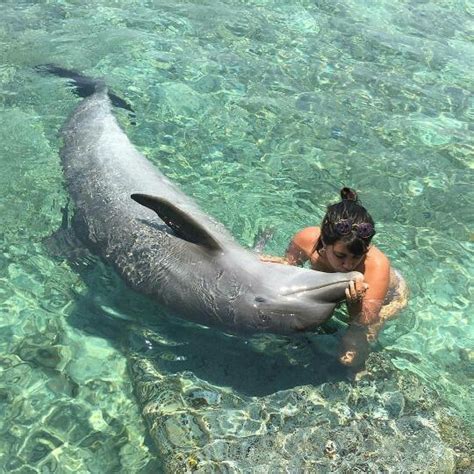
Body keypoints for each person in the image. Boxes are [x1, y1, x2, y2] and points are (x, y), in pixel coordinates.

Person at [261, 187, 407, 368]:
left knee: (348, 360)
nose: (348, 265)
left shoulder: (376, 266)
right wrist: (278, 264)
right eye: (340, 256)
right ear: (324, 240)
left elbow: (364, 321)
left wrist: (354, 303)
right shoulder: (306, 240)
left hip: (387, 300)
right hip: (344, 290)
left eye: (357, 256)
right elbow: (290, 266)